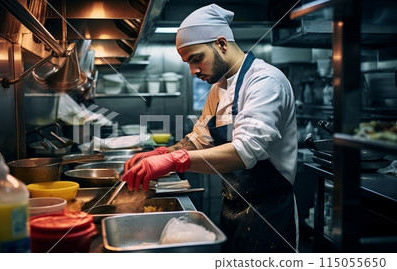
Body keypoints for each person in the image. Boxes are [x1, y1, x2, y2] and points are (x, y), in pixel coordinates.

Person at [122, 3, 298, 253]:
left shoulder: (265, 81)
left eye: (196, 59)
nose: (193, 70)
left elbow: (245, 151)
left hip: (270, 214)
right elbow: (200, 138)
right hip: (233, 208)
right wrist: (162, 153)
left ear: (222, 43)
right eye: (187, 62)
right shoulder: (218, 89)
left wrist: (176, 160)